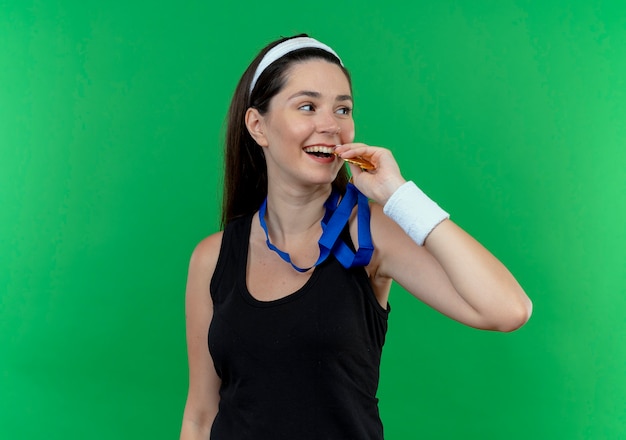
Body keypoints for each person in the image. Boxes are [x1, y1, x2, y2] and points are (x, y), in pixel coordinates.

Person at [179, 34, 532, 440]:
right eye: (308, 106)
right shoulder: (213, 256)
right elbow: (201, 415)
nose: (331, 125)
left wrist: (400, 196)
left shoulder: (370, 233)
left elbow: (508, 309)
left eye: (342, 109)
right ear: (258, 126)